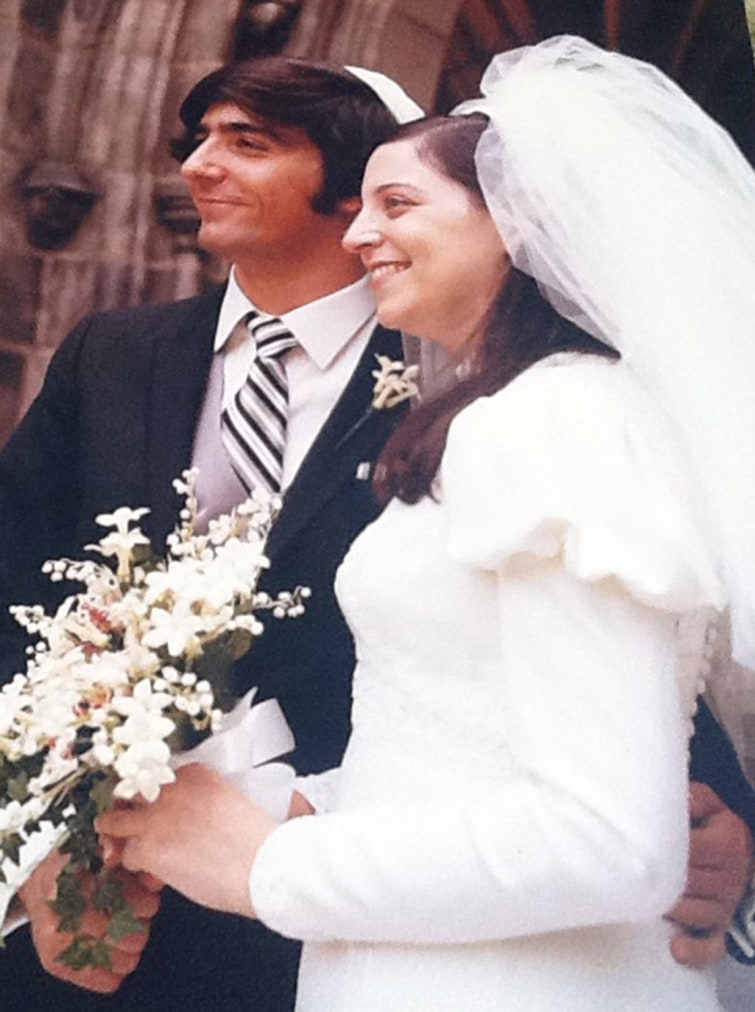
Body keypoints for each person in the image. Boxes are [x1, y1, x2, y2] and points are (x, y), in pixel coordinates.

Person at [99, 36, 755, 1010]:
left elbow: (608, 840)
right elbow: (459, 743)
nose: (359, 234)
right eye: (362, 202)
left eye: (397, 204)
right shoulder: (512, 415)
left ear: (523, 224)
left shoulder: (556, 422)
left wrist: (270, 864)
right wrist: (270, 802)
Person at [0, 57, 420, 1012]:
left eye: (248, 143)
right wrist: (36, 852)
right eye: (197, 140)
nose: (196, 166)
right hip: (87, 904)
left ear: (353, 183)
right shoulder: (111, 350)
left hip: (318, 912)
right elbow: (10, 588)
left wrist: (705, 785)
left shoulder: (442, 377)